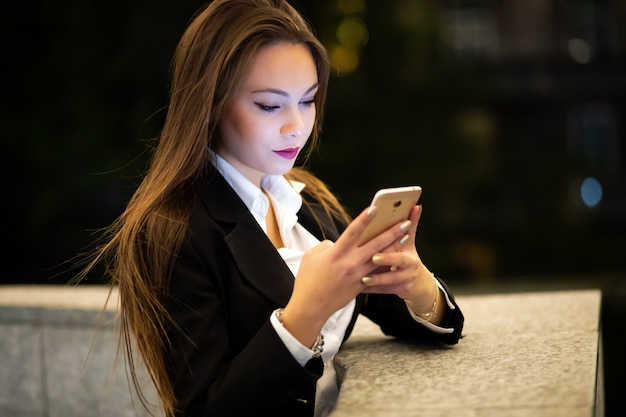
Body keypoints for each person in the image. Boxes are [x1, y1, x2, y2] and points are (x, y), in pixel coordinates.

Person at [78, 1, 464, 416]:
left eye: (308, 100)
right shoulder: (174, 230)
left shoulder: (305, 199)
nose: (296, 126)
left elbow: (403, 314)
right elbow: (205, 407)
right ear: (210, 101)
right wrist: (303, 315)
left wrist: (417, 286)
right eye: (269, 105)